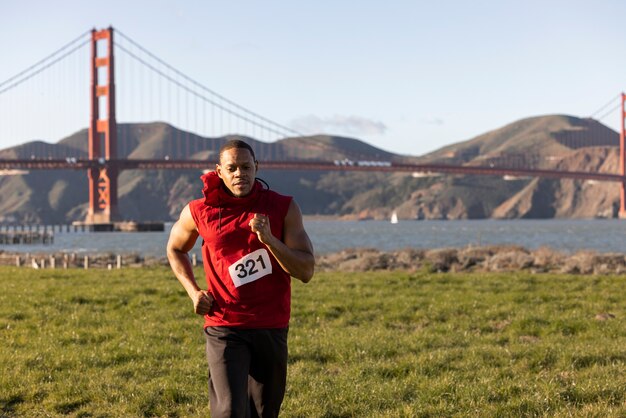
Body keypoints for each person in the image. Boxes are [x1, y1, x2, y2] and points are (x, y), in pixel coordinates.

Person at [167, 139, 315, 418]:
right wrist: (193, 292)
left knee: (263, 412)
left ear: (257, 167)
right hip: (224, 325)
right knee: (230, 411)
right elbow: (175, 248)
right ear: (219, 171)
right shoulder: (199, 210)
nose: (239, 174)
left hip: (270, 325)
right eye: (232, 168)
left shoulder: (283, 207)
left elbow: (306, 270)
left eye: (246, 167)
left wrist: (269, 239)